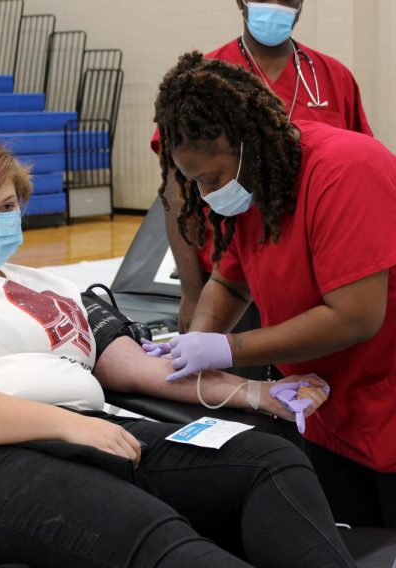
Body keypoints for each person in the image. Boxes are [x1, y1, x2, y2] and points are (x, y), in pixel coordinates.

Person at [0, 134, 396, 568]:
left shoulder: (45, 285)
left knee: (266, 459)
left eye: (7, 206)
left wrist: (254, 395)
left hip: (97, 432)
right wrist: (65, 424)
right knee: (142, 527)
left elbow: (134, 369)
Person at [150, 53, 396, 539]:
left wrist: (229, 349)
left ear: (250, 145)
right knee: (352, 562)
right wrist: (196, 341)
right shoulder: (253, 188)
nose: (207, 193)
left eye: (212, 177)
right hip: (333, 406)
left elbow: (355, 318)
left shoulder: (346, 170)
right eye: (196, 182)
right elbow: (230, 280)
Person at [153, 0, 373, 333]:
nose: (275, 4)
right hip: (227, 279)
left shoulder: (333, 77)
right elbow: (177, 194)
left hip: (319, 277)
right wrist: (191, 291)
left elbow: (361, 175)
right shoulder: (203, 82)